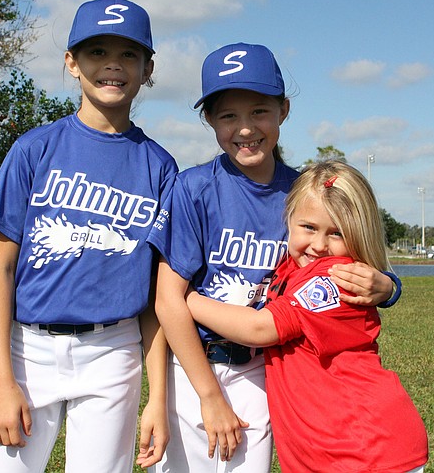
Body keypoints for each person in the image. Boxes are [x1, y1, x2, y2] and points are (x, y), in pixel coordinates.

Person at [147, 43, 401, 472]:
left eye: (260, 111)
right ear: (209, 119)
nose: (245, 128)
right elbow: (167, 299)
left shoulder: (307, 193)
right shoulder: (193, 188)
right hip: (192, 366)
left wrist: (390, 286)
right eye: (228, 115)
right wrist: (209, 395)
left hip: (262, 368)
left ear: (283, 110)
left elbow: (352, 260)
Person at [0, 0, 176, 472]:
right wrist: (0, 381)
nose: (112, 64)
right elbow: (0, 269)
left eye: (128, 54)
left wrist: (158, 399)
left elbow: (155, 297)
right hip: (29, 348)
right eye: (97, 51)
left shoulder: (160, 167)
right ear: (71, 62)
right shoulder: (34, 148)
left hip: (113, 350)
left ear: (147, 68)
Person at [185, 160, 429, 473]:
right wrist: (390, 286)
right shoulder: (291, 266)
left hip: (366, 448)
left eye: (337, 233)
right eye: (309, 227)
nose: (319, 245)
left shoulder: (334, 277)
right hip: (331, 448)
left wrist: (187, 299)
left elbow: (259, 328)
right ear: (288, 219)